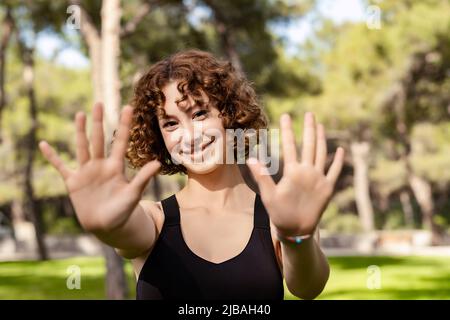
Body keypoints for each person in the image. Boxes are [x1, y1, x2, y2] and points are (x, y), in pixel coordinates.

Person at [39, 49, 344, 300]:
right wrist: (108, 226)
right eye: (171, 124)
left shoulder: (283, 216)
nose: (189, 135)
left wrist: (295, 238)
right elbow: (126, 233)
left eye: (199, 114)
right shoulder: (153, 219)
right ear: (159, 137)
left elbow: (308, 287)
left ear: (229, 114)